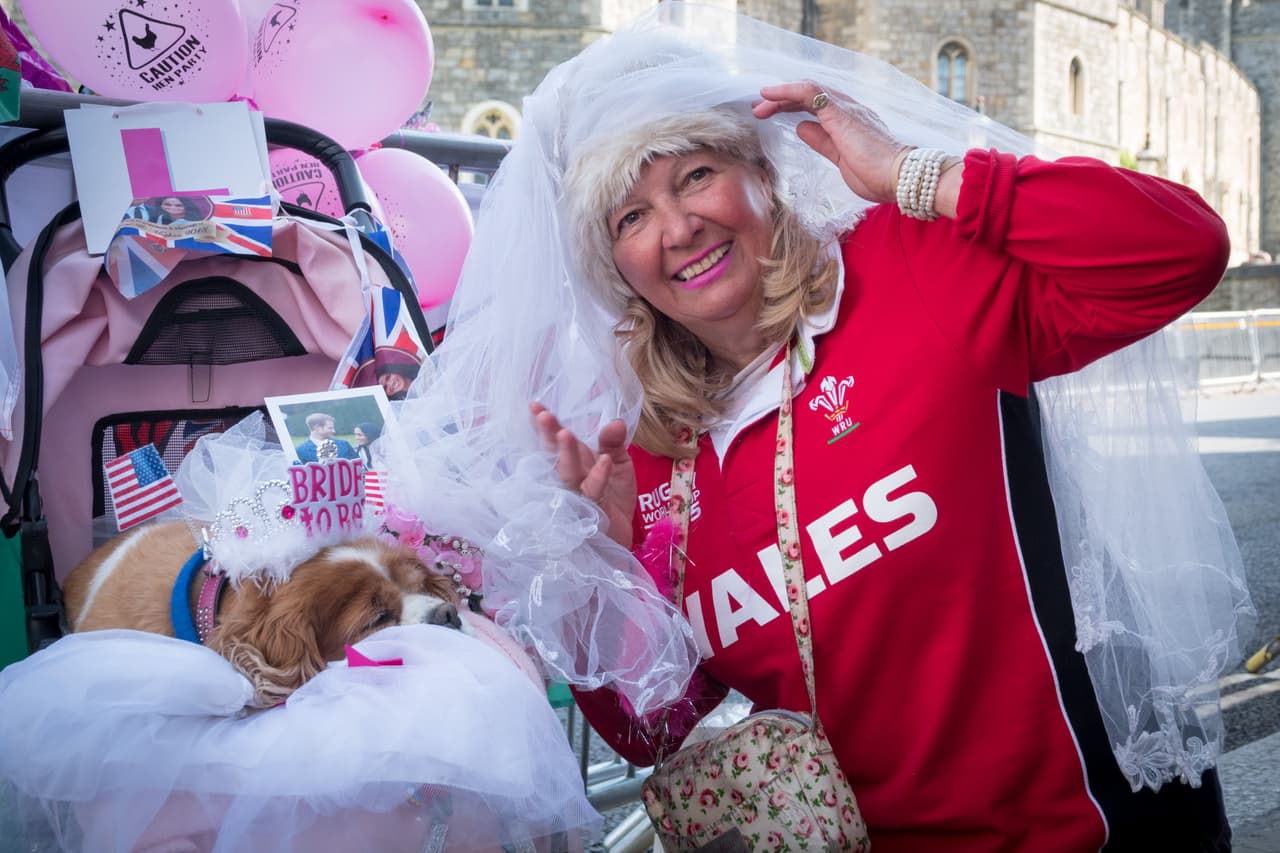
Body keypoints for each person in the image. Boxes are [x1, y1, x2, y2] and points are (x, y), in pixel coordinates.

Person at [510, 5, 1253, 851]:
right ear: (614, 265)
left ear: (759, 170)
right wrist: (606, 578)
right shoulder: (640, 457)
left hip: (1093, 828)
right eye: (630, 217)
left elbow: (1181, 249)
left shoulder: (909, 264)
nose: (678, 229)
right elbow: (656, 731)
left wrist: (913, 173)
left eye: (695, 174)